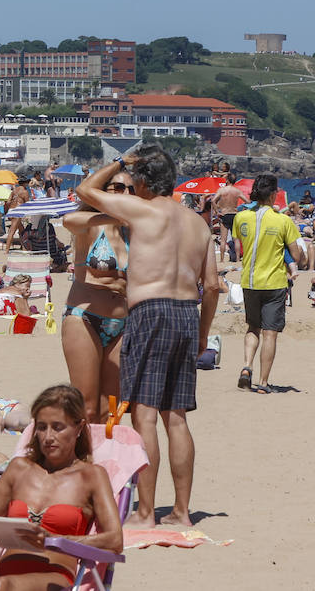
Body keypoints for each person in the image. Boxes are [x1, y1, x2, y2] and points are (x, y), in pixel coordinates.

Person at [75, 144, 219, 529]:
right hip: (187, 314)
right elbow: (214, 286)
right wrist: (204, 334)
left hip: (150, 311)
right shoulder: (198, 223)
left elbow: (86, 191)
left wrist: (121, 162)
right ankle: (183, 512)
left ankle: (145, 512)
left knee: (145, 416)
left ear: (140, 181)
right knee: (178, 417)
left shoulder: (142, 208)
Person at [0, 385, 123, 591]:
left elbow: (115, 540)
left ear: (79, 428)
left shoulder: (92, 476)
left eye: (58, 427)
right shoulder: (19, 469)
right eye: (42, 427)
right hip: (1, 573)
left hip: (55, 577)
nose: (48, 436)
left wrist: (56, 539)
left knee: (3, 587)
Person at [60, 171, 133, 422]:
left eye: (130, 189)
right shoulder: (91, 224)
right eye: (118, 188)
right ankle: (83, 459)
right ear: (102, 190)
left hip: (124, 324)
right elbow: (68, 219)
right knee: (87, 407)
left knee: (112, 410)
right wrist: (113, 214)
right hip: (85, 318)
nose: (125, 194)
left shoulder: (136, 230)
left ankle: (104, 459)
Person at [231, 173, 305, 394]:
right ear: (273, 194)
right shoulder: (283, 220)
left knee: (252, 327)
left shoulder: (240, 217)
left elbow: (239, 247)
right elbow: (297, 255)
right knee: (270, 333)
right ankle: (263, 383)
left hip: (249, 281)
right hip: (274, 283)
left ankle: (246, 366)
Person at [210, 175, 245, 261]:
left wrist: (217, 211)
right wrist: (242, 211)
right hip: (234, 214)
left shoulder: (222, 190)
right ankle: (237, 258)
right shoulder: (237, 191)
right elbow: (247, 201)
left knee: (223, 239)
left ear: (228, 180)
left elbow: (213, 201)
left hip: (224, 214)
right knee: (236, 239)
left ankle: (222, 259)